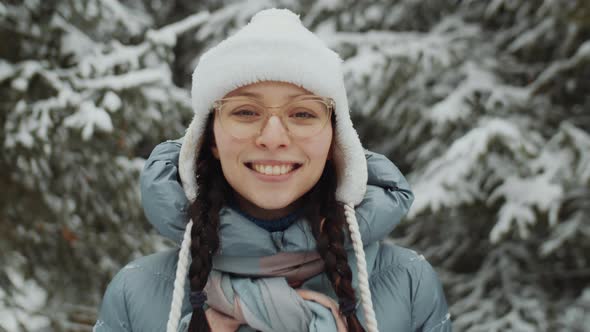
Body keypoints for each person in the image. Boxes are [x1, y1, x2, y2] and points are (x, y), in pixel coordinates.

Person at [94, 8, 451, 332]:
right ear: (210, 139)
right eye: (246, 112)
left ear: (334, 143)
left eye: (303, 113)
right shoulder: (137, 293)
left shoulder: (406, 284)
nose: (273, 137)